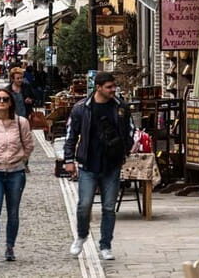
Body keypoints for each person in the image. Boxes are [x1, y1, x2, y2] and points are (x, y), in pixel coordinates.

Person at [64, 72, 134, 261]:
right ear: (98, 87)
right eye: (109, 87)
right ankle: (82, 235)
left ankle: (105, 245)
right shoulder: (82, 108)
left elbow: (130, 130)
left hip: (112, 164)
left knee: (109, 207)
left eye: (114, 86)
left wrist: (124, 150)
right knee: (84, 204)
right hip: (88, 163)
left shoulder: (121, 107)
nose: (113, 90)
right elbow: (71, 134)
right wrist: (68, 159)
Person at [0, 88, 34, 263]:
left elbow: (28, 144)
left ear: (11, 102)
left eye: (5, 99)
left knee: (13, 211)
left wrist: (20, 159)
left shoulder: (21, 122)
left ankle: (10, 247)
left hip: (15, 172)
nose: (1, 102)